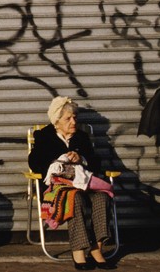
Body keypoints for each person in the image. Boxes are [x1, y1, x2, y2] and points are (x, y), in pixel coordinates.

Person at [28, 96, 116, 270]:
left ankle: (96, 249)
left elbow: (96, 163)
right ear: (56, 121)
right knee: (74, 199)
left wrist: (81, 158)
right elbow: (35, 162)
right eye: (68, 118)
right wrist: (59, 161)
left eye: (75, 117)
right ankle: (78, 250)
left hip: (84, 184)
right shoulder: (44, 136)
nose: (73, 121)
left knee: (102, 198)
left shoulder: (81, 137)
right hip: (58, 188)